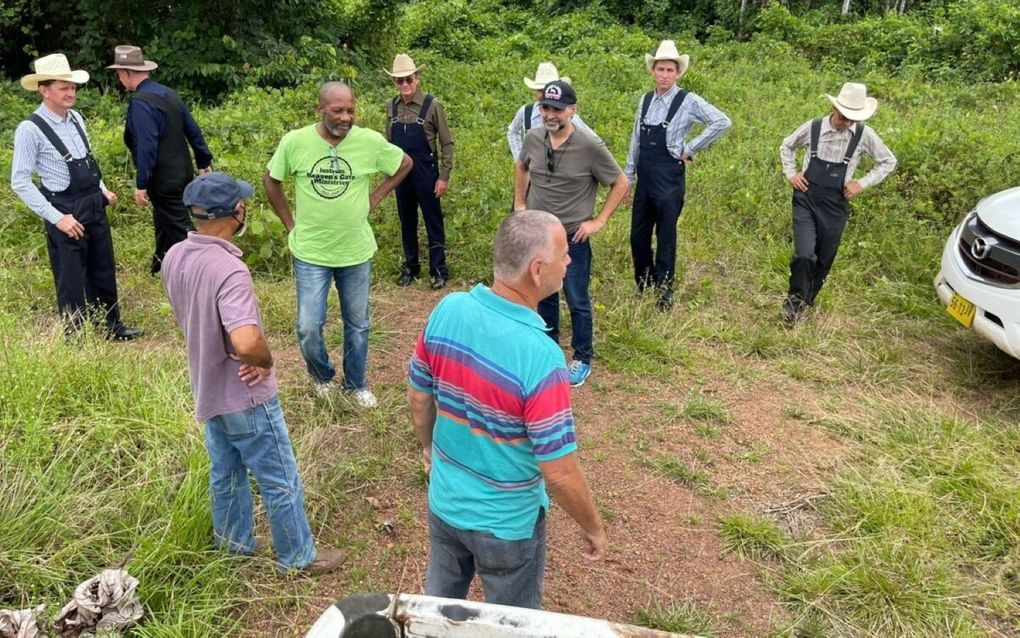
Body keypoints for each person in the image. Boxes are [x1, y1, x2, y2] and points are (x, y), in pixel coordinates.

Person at [408, 210, 608, 610]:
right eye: (564, 255)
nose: (569, 261)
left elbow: (419, 398)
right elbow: (560, 471)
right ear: (537, 270)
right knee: (514, 624)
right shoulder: (543, 357)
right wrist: (593, 527)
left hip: (445, 504)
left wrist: (429, 450)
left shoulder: (447, 309)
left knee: (437, 613)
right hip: (507, 527)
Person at [162, 171, 344, 574]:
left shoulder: (176, 255)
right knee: (279, 475)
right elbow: (245, 341)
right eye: (242, 203)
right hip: (244, 394)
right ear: (236, 211)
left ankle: (233, 544)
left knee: (225, 471)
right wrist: (264, 361)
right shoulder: (229, 270)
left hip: (208, 388)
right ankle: (297, 556)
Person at [264, 82, 412, 407]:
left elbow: (404, 164)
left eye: (350, 111)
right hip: (311, 251)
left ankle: (356, 384)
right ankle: (323, 377)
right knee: (307, 327)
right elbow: (271, 180)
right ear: (320, 109)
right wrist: (291, 224)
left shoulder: (369, 142)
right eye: (338, 111)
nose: (346, 118)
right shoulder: (296, 142)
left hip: (355, 250)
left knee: (358, 324)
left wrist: (376, 195)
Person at [11, 53, 141, 341]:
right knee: (70, 276)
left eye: (72, 87)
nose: (70, 93)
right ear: (44, 91)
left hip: (92, 202)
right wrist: (57, 218)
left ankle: (111, 326)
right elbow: (20, 182)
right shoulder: (29, 130)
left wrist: (102, 188)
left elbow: (88, 160)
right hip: (63, 207)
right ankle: (76, 336)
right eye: (63, 88)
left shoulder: (77, 119)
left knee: (103, 266)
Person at [513, 80, 629, 387]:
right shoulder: (535, 137)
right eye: (546, 108)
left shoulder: (590, 145)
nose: (551, 115)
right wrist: (520, 203)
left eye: (558, 109)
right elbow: (521, 166)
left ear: (572, 111)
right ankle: (549, 352)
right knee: (543, 294)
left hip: (571, 238)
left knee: (576, 297)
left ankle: (581, 357)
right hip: (538, 235)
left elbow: (620, 183)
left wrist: (599, 221)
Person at [624, 40, 731, 310]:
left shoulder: (688, 100)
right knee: (638, 235)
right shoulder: (646, 99)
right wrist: (629, 175)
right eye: (659, 69)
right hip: (646, 175)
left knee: (666, 235)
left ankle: (664, 289)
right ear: (652, 71)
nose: (664, 74)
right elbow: (636, 138)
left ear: (678, 73)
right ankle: (644, 281)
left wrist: (691, 147)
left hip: (670, 177)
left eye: (670, 70)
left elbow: (722, 121)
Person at [779, 82, 897, 323]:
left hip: (835, 204)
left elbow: (887, 161)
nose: (848, 123)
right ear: (834, 108)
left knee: (824, 258)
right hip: (806, 199)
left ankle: (805, 302)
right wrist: (791, 173)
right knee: (805, 254)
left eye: (853, 119)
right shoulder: (813, 128)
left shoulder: (864, 135)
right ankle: (793, 302)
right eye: (845, 117)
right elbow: (787, 145)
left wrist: (861, 183)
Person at [108, 45, 214, 275]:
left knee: (180, 227)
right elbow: (193, 130)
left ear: (126, 73)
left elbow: (147, 146)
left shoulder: (141, 102)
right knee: (163, 218)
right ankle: (160, 264)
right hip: (183, 172)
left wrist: (141, 183)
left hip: (163, 178)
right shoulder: (168, 94)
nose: (119, 78)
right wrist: (203, 161)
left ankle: (204, 269)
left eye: (119, 74)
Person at [385, 54, 454, 290]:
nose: (404, 85)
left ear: (417, 78)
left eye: (408, 80)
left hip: (426, 173)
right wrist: (388, 174)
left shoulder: (432, 105)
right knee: (407, 221)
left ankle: (438, 270)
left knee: (433, 221)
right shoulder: (390, 106)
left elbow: (447, 143)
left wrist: (443, 177)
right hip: (401, 175)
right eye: (399, 81)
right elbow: (388, 145)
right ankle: (411, 267)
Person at [506, 62, 594, 162]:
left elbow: (592, 139)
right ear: (535, 92)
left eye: (548, 91)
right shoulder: (526, 111)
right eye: (540, 90)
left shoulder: (566, 116)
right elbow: (512, 131)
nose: (544, 95)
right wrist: (520, 159)